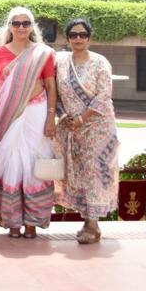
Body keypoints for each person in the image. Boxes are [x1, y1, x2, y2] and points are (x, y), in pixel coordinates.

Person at [0, 6, 58, 238]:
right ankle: (13, 221)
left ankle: (32, 222)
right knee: (11, 162)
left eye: (26, 23)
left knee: (33, 163)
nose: (21, 27)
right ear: (9, 26)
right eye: (16, 23)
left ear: (32, 26)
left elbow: (51, 86)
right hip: (8, 116)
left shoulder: (43, 53)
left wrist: (51, 116)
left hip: (37, 113)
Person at [55, 18, 119, 244]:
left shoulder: (100, 62)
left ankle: (93, 224)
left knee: (94, 171)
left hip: (98, 127)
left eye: (83, 34)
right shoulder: (61, 62)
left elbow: (104, 95)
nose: (78, 38)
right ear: (67, 39)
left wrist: (83, 118)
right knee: (79, 173)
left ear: (89, 38)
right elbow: (55, 92)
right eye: (73, 35)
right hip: (72, 127)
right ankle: (87, 220)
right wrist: (65, 116)